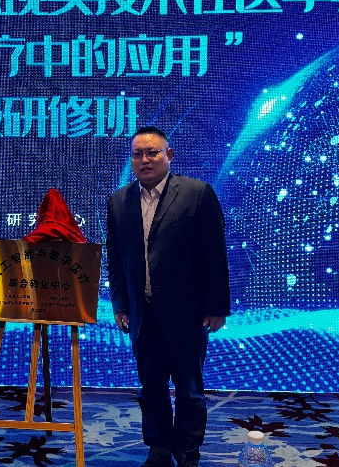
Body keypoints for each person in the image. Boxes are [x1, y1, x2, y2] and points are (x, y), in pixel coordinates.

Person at [106, 126, 231, 467]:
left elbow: (215, 254)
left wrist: (217, 307)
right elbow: (116, 258)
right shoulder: (118, 201)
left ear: (169, 155)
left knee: (189, 389)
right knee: (151, 388)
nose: (144, 160)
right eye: (137, 154)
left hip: (187, 312)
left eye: (152, 152)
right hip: (142, 313)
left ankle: (188, 453)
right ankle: (159, 449)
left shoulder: (197, 193)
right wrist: (120, 303)